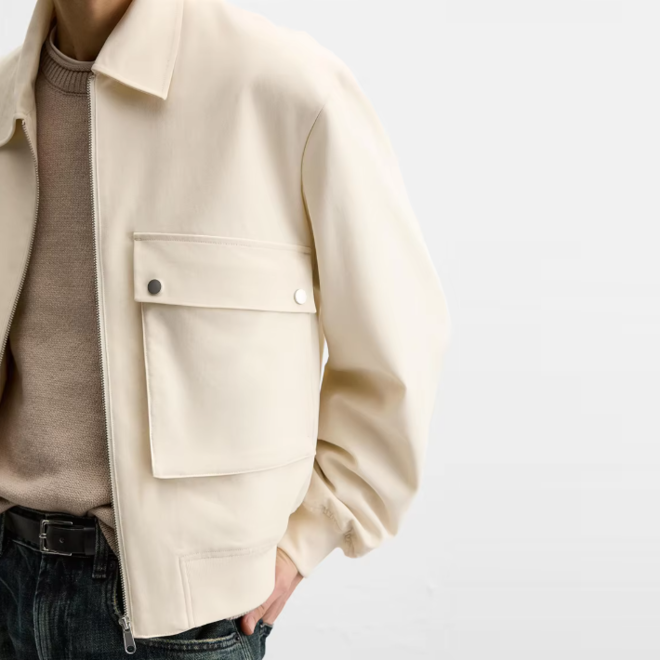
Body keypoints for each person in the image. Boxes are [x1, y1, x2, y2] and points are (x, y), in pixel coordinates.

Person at [0, 0, 452, 657]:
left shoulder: (287, 90)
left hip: (182, 625)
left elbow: (398, 344)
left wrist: (307, 538)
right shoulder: (7, 102)